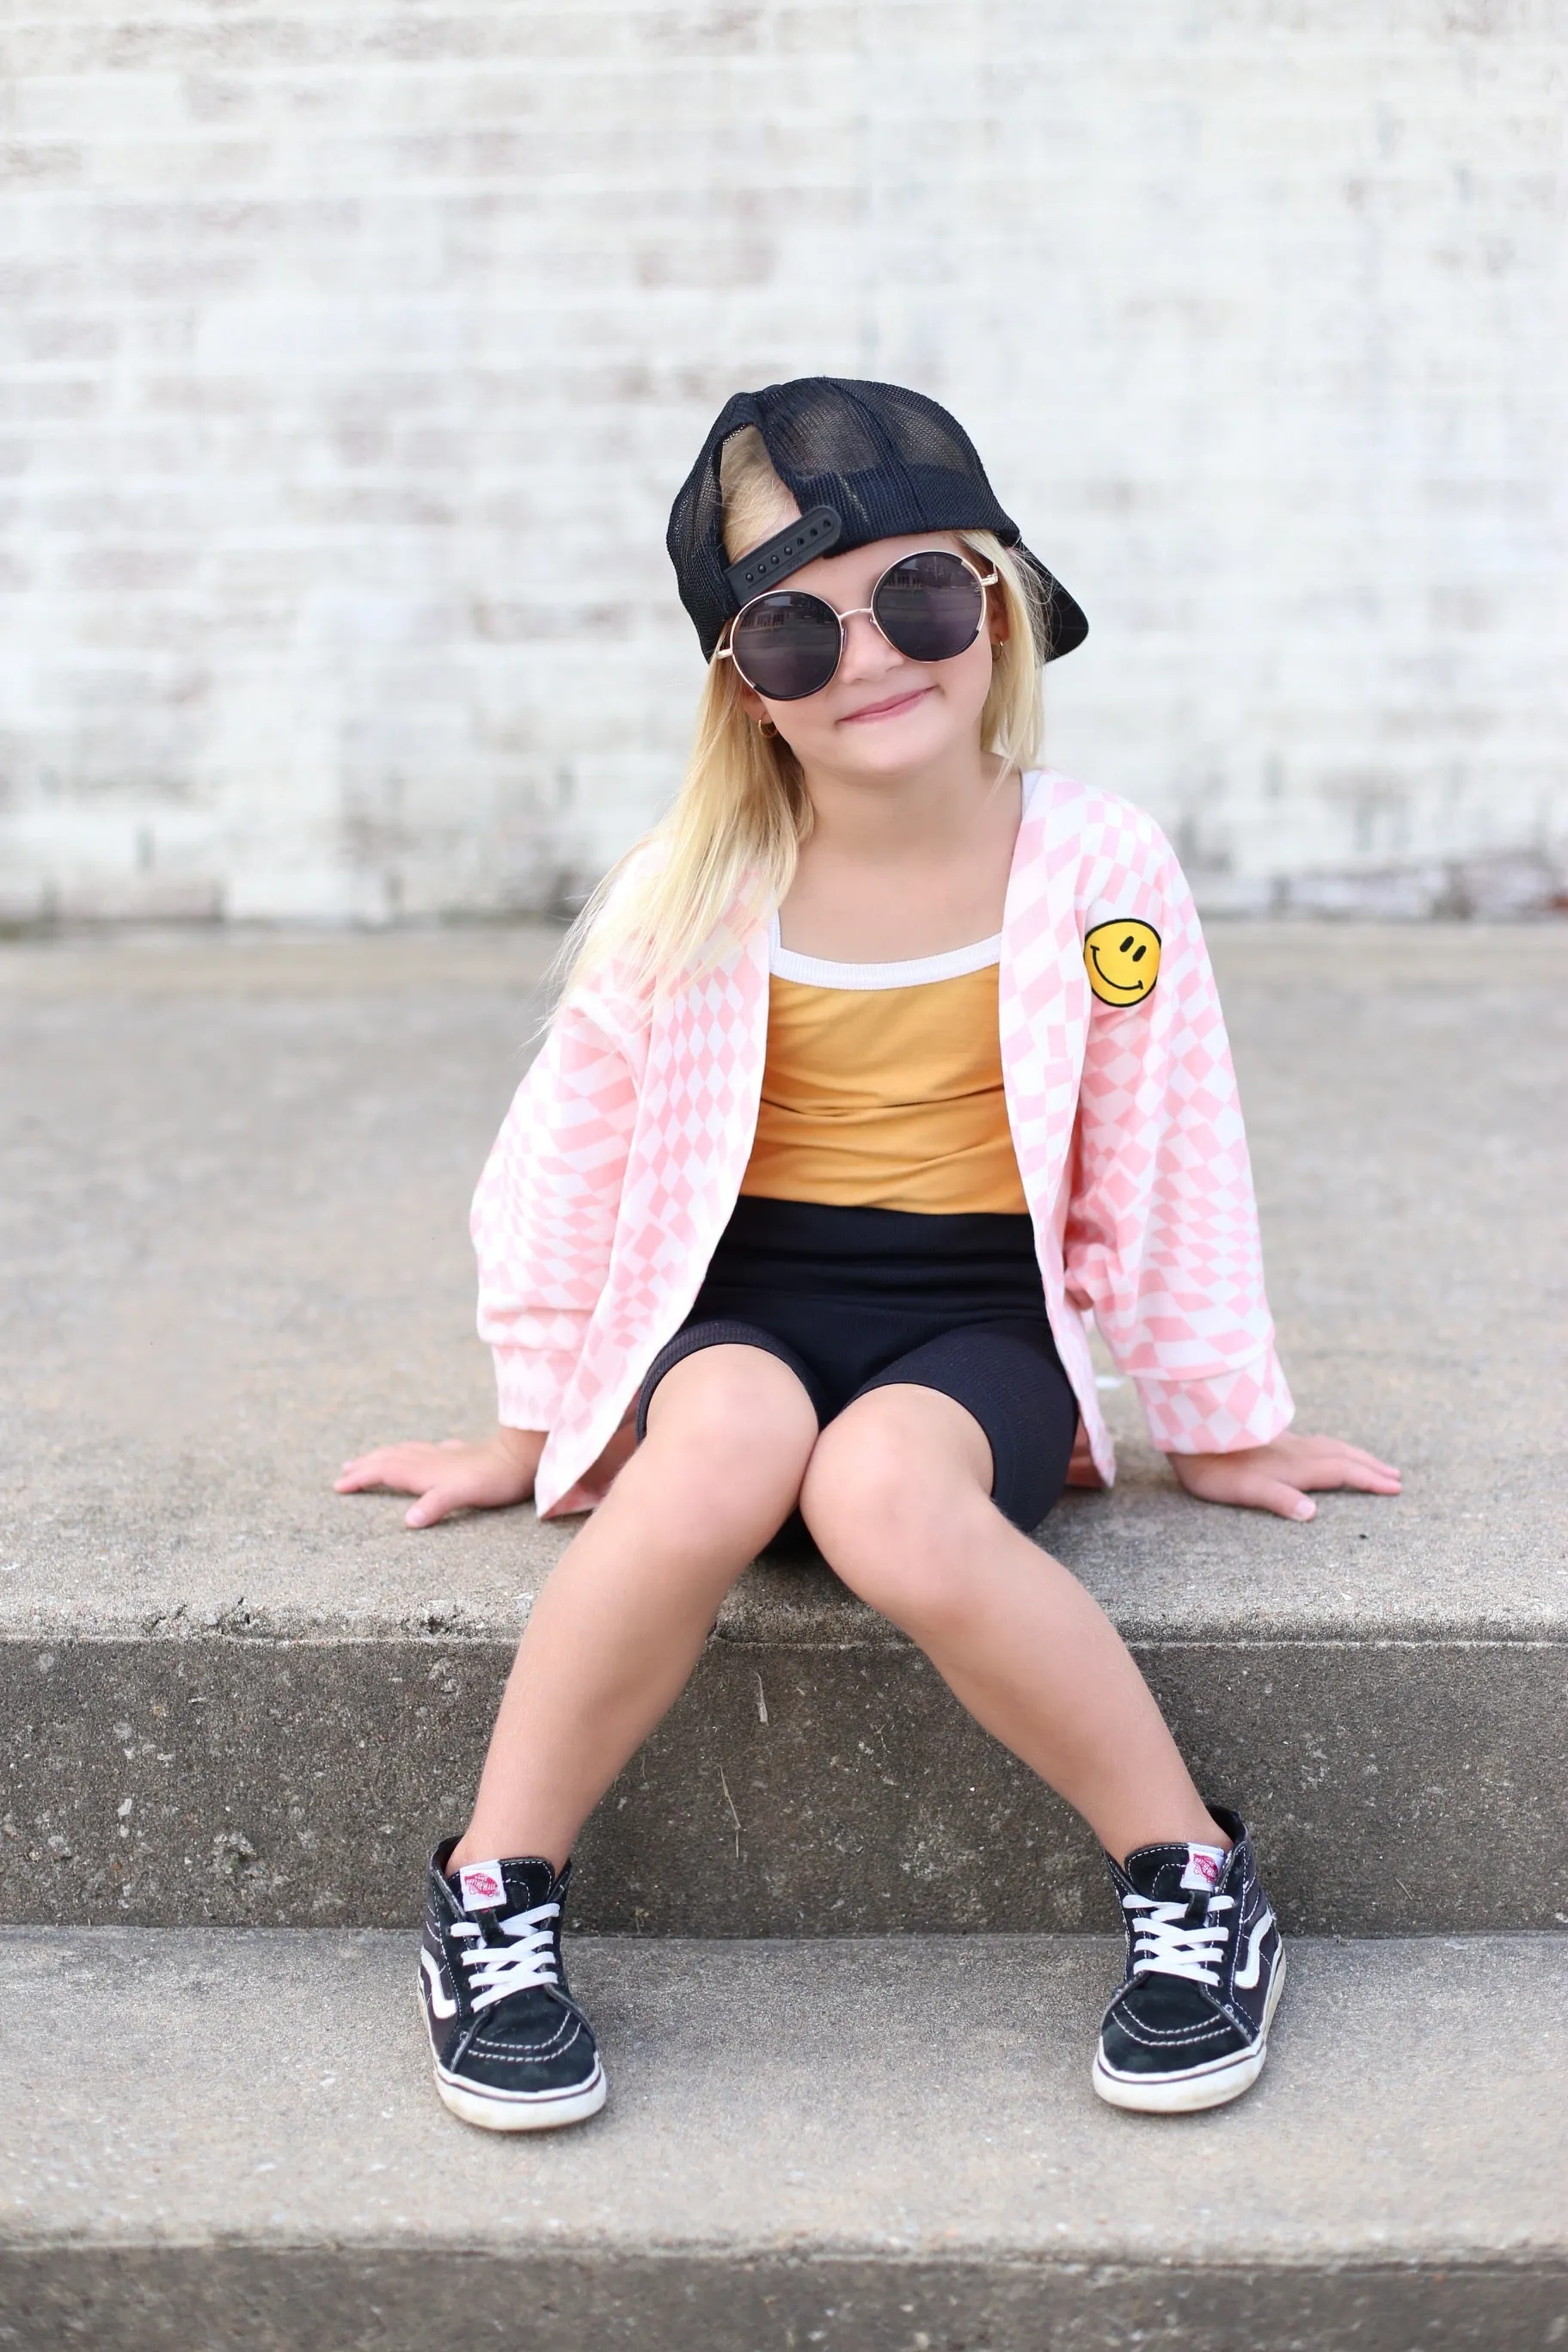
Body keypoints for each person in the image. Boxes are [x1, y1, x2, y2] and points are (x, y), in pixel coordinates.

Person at [337, 377, 1400, 2133]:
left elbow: (1164, 1134)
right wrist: (535, 1413)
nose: (873, 659)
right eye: (794, 631)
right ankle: (492, 1894)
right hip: (738, 1301)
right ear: (737, 681)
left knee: (889, 1499)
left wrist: (1216, 1413)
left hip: (972, 1314)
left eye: (916, 598)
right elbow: (571, 1159)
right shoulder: (692, 883)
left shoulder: (1099, 871)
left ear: (993, 604)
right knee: (730, 1449)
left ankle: (1194, 1877)